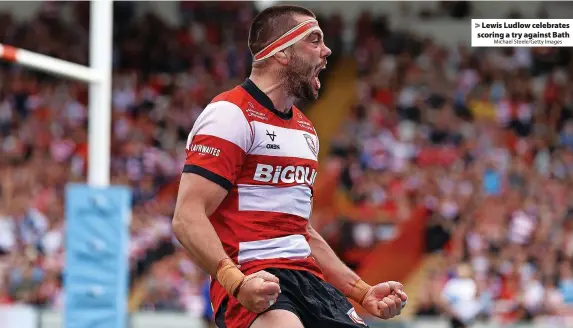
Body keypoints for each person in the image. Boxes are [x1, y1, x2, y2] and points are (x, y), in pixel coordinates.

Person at [172, 5, 408, 328]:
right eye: (314, 40)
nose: (326, 52)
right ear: (282, 53)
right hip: (257, 279)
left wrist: (363, 292)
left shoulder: (306, 132)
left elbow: (302, 232)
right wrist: (236, 282)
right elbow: (187, 217)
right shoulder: (230, 114)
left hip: (309, 283)